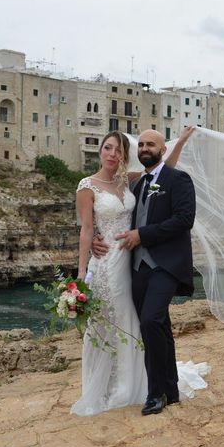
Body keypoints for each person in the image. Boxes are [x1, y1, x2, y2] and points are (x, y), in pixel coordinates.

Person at [72, 127, 196, 416]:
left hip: (137, 262)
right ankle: (118, 385)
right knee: (113, 322)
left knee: (143, 321)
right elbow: (86, 228)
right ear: (100, 151)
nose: (112, 153)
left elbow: (166, 174)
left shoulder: (128, 182)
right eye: (107, 148)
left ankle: (153, 389)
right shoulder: (89, 185)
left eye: (118, 149)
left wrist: (180, 142)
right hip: (111, 264)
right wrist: (83, 268)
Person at [114, 128, 197, 415]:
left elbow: (185, 219)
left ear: (163, 150)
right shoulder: (137, 184)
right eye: (142, 144)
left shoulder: (178, 179)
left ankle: (155, 393)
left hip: (167, 264)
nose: (145, 148)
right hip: (138, 267)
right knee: (158, 326)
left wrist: (143, 235)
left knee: (150, 320)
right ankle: (171, 389)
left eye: (152, 144)